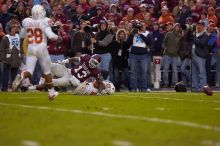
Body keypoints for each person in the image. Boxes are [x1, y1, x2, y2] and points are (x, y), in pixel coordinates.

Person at [12, 5, 59, 100]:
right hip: (41, 48)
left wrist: (19, 28)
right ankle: (51, 93)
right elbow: (51, 36)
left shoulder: (26, 21)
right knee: (47, 72)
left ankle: (21, 75)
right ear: (41, 12)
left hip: (31, 48)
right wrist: (57, 37)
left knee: (29, 71)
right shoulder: (45, 21)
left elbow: (21, 35)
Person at [27, 54, 104, 93]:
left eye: (95, 63)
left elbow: (101, 83)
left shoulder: (96, 71)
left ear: (98, 64)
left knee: (51, 82)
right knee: (49, 65)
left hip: (69, 81)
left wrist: (99, 93)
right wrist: (63, 61)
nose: (93, 64)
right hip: (68, 71)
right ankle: (41, 82)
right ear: (91, 58)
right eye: (93, 61)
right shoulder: (86, 57)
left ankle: (31, 88)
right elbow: (74, 59)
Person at [0, 23, 23, 91]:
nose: (15, 29)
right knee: (5, 75)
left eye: (16, 28)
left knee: (15, 75)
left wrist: (21, 56)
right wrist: (2, 58)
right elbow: (2, 49)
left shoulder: (18, 37)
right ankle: (4, 88)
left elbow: (20, 47)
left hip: (16, 58)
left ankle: (15, 88)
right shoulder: (5, 37)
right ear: (10, 29)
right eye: (13, 27)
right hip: (8, 58)